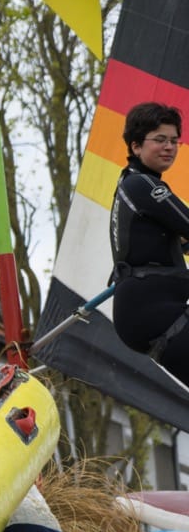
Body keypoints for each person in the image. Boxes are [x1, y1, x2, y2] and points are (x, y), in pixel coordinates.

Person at [109, 101, 189, 386]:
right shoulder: (142, 185)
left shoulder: (132, 185)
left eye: (174, 141)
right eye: (160, 140)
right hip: (151, 311)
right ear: (136, 146)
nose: (169, 147)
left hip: (150, 312)